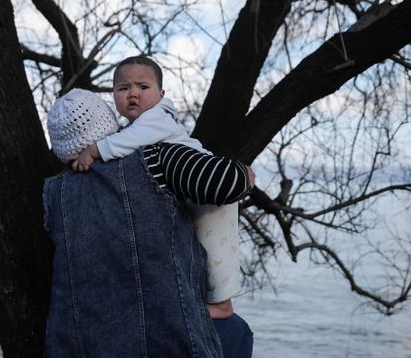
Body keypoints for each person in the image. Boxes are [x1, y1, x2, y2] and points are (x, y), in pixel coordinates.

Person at [44, 88, 255, 357]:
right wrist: (246, 174)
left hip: (80, 347)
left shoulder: (52, 195)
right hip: (168, 340)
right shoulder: (155, 160)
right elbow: (226, 182)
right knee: (236, 331)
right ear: (110, 124)